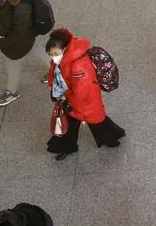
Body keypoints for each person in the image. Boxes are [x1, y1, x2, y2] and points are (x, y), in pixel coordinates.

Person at [44, 28, 126, 160]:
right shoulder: (60, 61)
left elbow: (82, 90)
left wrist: (70, 104)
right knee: (80, 123)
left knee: (95, 121)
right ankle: (111, 137)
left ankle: (110, 138)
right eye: (50, 54)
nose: (53, 57)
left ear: (64, 49)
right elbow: (53, 75)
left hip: (86, 101)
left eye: (55, 54)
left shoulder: (79, 65)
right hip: (70, 99)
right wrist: (54, 90)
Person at [0, 0, 49, 107]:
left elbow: (20, 31)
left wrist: (5, 40)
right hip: (27, 38)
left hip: (19, 42)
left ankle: (12, 92)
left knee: (13, 63)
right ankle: (58, 68)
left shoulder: (20, 6)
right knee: (35, 49)